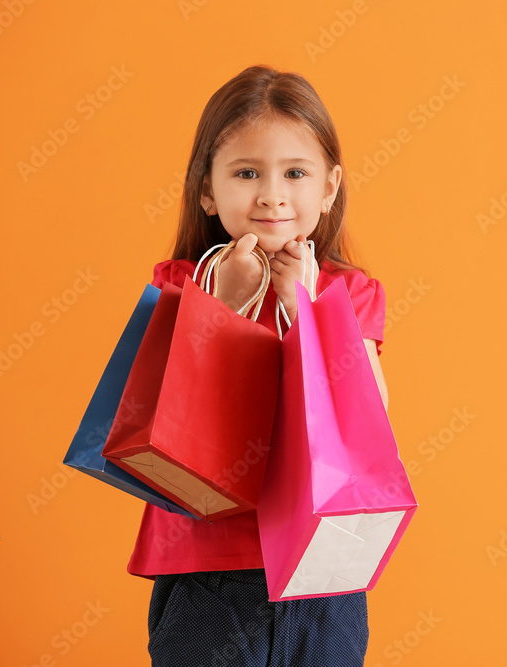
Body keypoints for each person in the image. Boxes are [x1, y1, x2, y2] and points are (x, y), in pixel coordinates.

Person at [128, 64, 388, 667]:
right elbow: (159, 415)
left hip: (322, 568)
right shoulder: (180, 284)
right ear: (207, 190)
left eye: (296, 173)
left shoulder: (349, 295)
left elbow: (370, 423)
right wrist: (219, 307)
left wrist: (308, 310)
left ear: (328, 188)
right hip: (206, 565)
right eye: (247, 173)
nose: (272, 194)